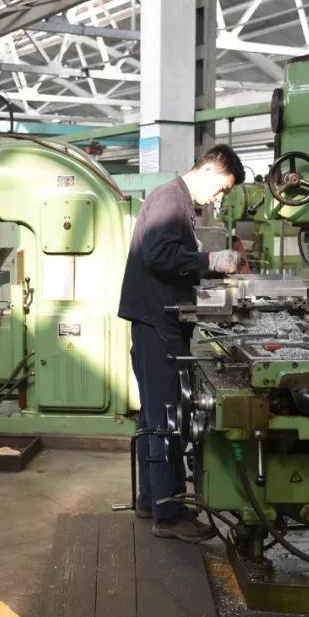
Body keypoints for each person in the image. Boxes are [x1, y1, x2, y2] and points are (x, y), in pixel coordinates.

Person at [118, 145, 246, 543]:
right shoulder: (171, 200)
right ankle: (169, 515)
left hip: (157, 320)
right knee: (167, 418)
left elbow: (169, 260)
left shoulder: (176, 201)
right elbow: (160, 255)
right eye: (222, 188)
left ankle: (151, 499)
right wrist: (210, 261)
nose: (219, 198)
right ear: (208, 171)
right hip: (157, 323)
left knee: (154, 416)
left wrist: (205, 270)